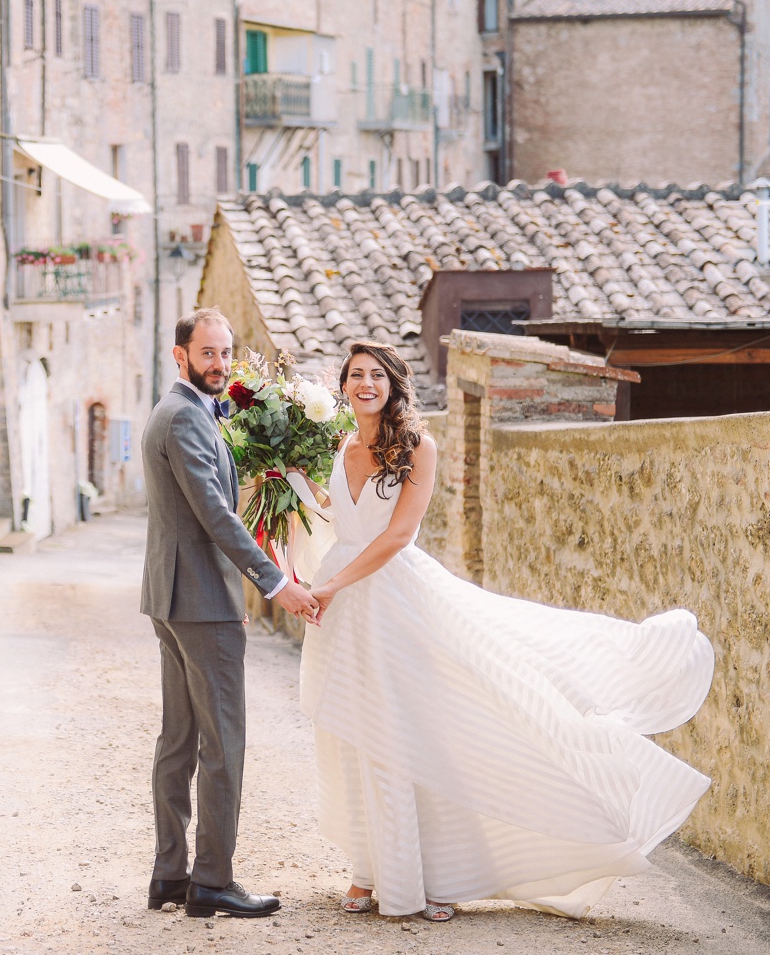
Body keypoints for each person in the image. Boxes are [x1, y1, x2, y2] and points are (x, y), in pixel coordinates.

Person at [290, 340, 714, 922]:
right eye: (356, 375)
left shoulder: (420, 447)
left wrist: (329, 587)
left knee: (411, 736)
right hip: (345, 611)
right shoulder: (342, 446)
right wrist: (289, 487)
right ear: (343, 385)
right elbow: (345, 520)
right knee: (358, 736)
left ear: (393, 385)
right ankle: (368, 871)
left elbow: (394, 537)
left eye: (376, 375)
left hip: (395, 603)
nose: (365, 384)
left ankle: (428, 877)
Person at [139, 308, 321, 919]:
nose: (219, 364)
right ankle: (211, 880)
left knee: (180, 740)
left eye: (225, 353)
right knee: (223, 743)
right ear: (180, 355)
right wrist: (275, 582)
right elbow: (216, 515)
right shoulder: (185, 418)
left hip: (172, 598)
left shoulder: (184, 414)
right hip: (200, 603)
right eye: (208, 353)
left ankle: (170, 875)